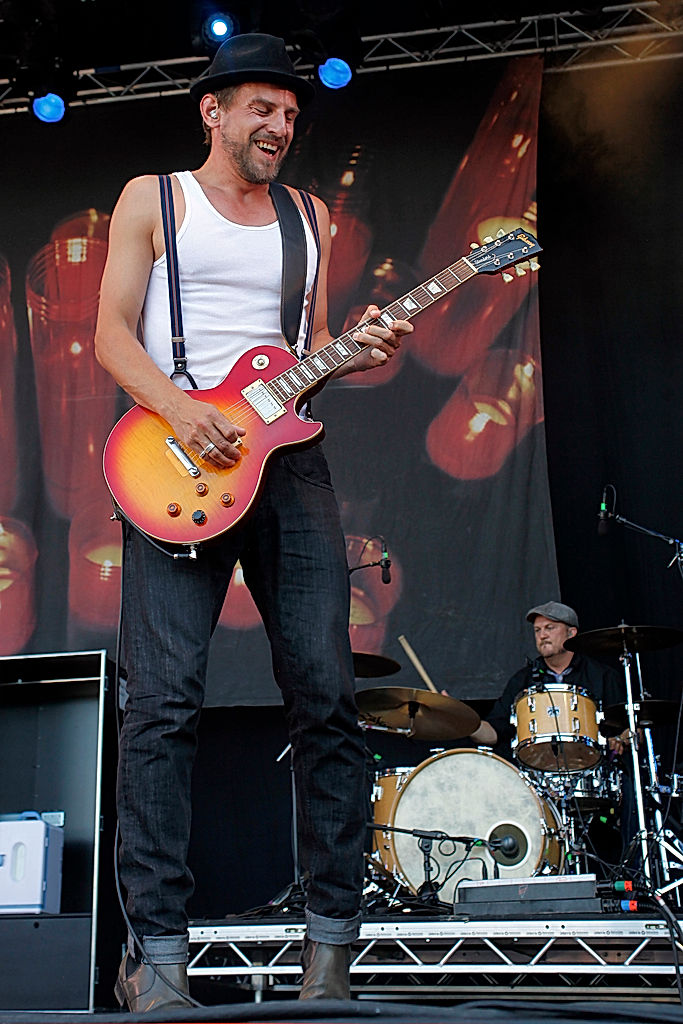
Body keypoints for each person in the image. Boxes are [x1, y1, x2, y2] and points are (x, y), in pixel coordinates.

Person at [94, 33, 413, 1013]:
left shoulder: (307, 216)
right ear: (213, 110)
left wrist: (349, 355)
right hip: (174, 453)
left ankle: (328, 951)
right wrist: (181, 407)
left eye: (289, 113)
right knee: (163, 706)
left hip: (283, 464)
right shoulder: (152, 197)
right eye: (263, 110)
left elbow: (302, 346)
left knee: (325, 692)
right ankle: (156, 955)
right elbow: (110, 331)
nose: (281, 125)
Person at [473, 601, 629, 758]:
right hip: (536, 772)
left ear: (571, 633)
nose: (542, 635)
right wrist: (461, 720)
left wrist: (620, 739)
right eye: (537, 630)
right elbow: (494, 731)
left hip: (593, 770)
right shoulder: (522, 680)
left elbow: (632, 729)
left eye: (550, 628)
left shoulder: (602, 676)